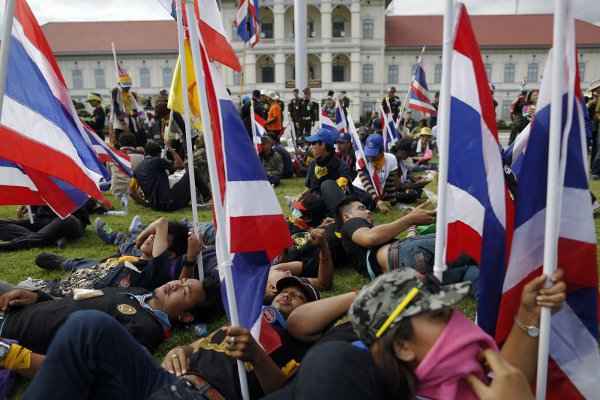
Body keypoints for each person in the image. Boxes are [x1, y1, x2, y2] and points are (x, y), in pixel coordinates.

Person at [265, 268, 566, 400]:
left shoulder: (437, 374)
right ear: (403, 345)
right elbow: (300, 322)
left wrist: (529, 314)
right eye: (439, 315)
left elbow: (504, 380)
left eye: (453, 311)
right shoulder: (337, 371)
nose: (462, 327)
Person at [23, 277, 323, 400]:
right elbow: (193, 346)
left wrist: (257, 356)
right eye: (286, 290)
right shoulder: (247, 316)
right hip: (160, 379)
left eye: (299, 297)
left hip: (198, 395)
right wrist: (178, 349)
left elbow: (278, 391)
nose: (288, 295)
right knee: (89, 324)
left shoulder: (296, 340)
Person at [0, 277, 211, 354]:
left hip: (14, 334)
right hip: (18, 308)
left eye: (184, 292)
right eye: (182, 281)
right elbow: (73, 304)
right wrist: (36, 297)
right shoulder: (138, 291)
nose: (176, 285)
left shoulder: (147, 328)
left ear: (185, 316)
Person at [133, 141, 198, 211]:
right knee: (193, 171)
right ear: (159, 154)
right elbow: (180, 165)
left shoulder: (138, 168)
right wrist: (171, 149)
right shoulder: (157, 161)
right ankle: (207, 197)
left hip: (154, 206)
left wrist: (145, 204)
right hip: (168, 203)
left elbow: (131, 192)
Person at [0, 205, 89, 252]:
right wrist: (27, 206)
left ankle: (6, 247)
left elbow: (81, 219)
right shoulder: (37, 185)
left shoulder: (67, 185)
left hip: (67, 220)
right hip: (42, 221)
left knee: (66, 219)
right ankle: (51, 239)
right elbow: (37, 214)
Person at [352, 133, 399, 213]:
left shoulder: (391, 159)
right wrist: (378, 201)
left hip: (378, 192)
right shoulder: (362, 159)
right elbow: (366, 183)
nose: (370, 157)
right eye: (369, 152)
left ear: (381, 151)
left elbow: (390, 184)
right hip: (360, 189)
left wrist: (392, 203)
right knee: (368, 201)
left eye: (374, 154)